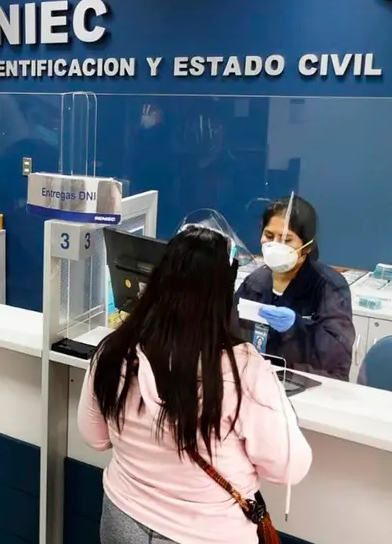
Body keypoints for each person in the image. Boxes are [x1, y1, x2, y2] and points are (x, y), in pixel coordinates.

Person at [79, 226, 312, 544]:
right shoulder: (242, 370)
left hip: (123, 520)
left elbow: (94, 437)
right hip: (206, 533)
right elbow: (288, 468)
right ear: (223, 295)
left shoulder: (114, 351)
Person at [237, 196, 355, 380]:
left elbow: (338, 357)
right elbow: (231, 333)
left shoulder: (328, 287)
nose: (275, 245)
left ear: (307, 247)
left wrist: (299, 327)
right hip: (260, 381)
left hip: (309, 384)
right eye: (269, 236)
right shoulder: (256, 282)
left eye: (287, 240)